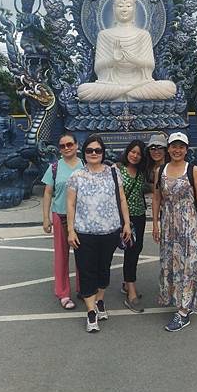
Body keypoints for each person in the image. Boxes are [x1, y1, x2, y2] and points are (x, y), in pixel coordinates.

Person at [67, 134, 131, 333]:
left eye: (98, 150)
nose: (94, 154)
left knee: (104, 267)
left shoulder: (113, 173)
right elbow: (70, 204)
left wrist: (126, 224)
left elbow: (121, 199)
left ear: (103, 153)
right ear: (83, 153)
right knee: (86, 270)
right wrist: (70, 230)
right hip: (84, 232)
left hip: (110, 230)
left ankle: (100, 300)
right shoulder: (76, 176)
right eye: (89, 150)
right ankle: (90, 311)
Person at [77, 0, 176, 101]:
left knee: (169, 87)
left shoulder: (143, 34)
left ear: (134, 9)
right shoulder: (104, 35)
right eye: (120, 6)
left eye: (128, 6)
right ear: (113, 9)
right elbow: (98, 68)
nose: (124, 9)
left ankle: (123, 93)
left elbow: (150, 65)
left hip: (140, 84)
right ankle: (128, 93)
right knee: (84, 90)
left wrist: (135, 60)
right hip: (111, 85)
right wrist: (113, 59)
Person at [152, 132, 197, 332]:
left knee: (188, 264)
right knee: (171, 262)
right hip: (168, 225)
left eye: (181, 147)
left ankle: (184, 310)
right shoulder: (161, 170)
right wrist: (155, 224)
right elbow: (157, 198)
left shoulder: (193, 170)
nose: (177, 150)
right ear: (168, 149)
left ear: (186, 149)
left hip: (189, 225)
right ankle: (179, 300)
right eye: (173, 146)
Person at [42, 132, 83, 310]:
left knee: (84, 256)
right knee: (61, 256)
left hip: (83, 217)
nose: (66, 148)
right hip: (60, 215)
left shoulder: (85, 165)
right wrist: (46, 218)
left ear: (76, 145)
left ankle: (84, 288)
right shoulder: (54, 167)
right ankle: (63, 293)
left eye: (69, 144)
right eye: (62, 146)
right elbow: (48, 193)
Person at [119, 139, 147, 313]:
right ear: (127, 151)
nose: (135, 156)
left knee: (136, 250)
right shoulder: (117, 170)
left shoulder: (142, 172)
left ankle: (126, 283)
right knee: (130, 252)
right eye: (132, 151)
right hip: (124, 219)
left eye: (138, 153)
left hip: (140, 216)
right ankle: (131, 292)